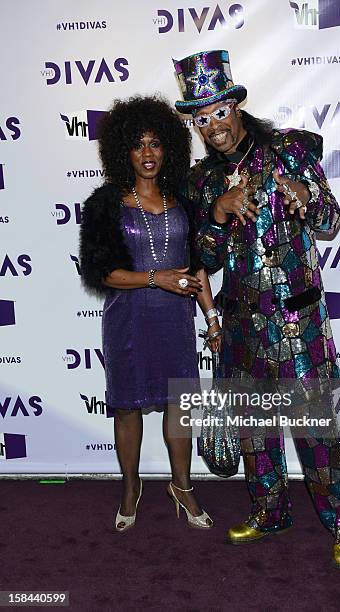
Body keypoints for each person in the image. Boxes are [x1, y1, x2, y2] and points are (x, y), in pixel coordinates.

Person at [172, 50, 340, 569]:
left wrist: (309, 196)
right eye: (201, 117)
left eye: (219, 111)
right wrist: (217, 213)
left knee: (316, 429)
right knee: (255, 433)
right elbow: (203, 262)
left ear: (236, 106)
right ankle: (270, 510)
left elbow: (330, 220)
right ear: (195, 123)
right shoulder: (201, 184)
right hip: (240, 326)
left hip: (298, 321)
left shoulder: (289, 151)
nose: (213, 126)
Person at [79, 95, 221, 533]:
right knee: (127, 408)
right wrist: (155, 278)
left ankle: (182, 485)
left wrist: (211, 318)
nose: (147, 153)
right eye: (138, 144)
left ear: (169, 149)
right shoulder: (106, 203)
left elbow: (196, 264)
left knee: (180, 406)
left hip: (176, 321)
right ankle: (130, 486)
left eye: (155, 143)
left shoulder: (185, 200)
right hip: (129, 321)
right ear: (124, 150)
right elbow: (102, 272)